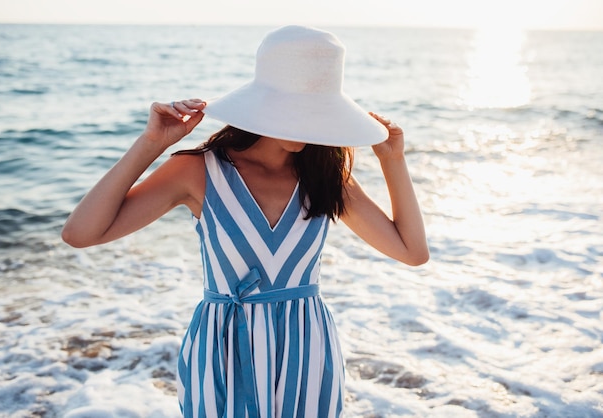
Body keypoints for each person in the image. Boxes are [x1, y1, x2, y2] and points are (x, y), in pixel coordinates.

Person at [62, 25, 428, 418]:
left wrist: (393, 161)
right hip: (223, 349)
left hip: (306, 349)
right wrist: (151, 144)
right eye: (296, 109)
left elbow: (412, 252)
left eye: (316, 111)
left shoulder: (327, 177)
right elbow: (81, 233)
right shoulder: (197, 171)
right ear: (263, 103)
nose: (306, 125)